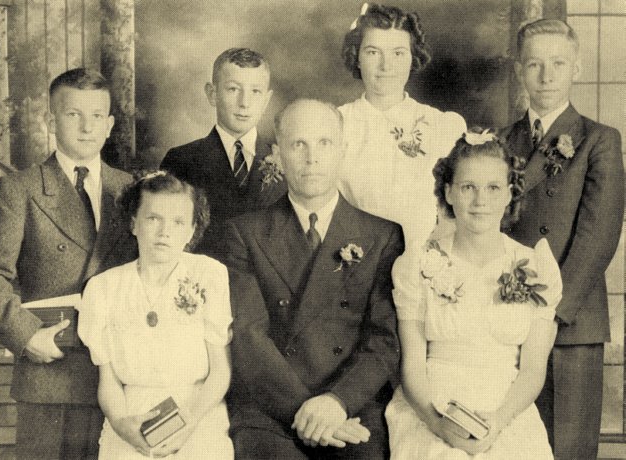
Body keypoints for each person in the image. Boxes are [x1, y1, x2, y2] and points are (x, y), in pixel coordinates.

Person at [0, 68, 138, 458]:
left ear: (110, 125)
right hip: (50, 375)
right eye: (73, 114)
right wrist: (26, 335)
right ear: (51, 120)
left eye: (97, 116)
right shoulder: (20, 189)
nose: (86, 127)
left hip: (122, 373)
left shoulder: (131, 190)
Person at [225, 99, 404, 459]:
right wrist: (305, 412)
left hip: (351, 403)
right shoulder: (245, 233)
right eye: (298, 144)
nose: (312, 158)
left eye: (324, 143)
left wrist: (336, 403)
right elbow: (248, 337)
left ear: (342, 150)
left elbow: (384, 341)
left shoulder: (382, 235)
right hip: (270, 406)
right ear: (277, 155)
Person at [385, 129, 563, 459]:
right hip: (432, 407)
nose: (481, 201)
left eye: (493, 188)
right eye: (468, 187)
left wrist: (497, 422)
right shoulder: (417, 264)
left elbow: (532, 371)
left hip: (508, 409)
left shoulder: (536, 267)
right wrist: (438, 424)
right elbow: (412, 367)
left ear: (509, 193)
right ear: (449, 193)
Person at [502, 19, 624, 459]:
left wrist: (550, 314)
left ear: (576, 68)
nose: (546, 75)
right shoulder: (500, 141)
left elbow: (598, 237)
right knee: (512, 445)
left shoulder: (599, 140)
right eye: (535, 64)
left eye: (558, 63)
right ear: (520, 71)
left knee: (566, 450)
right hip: (506, 316)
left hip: (569, 320)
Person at [77, 171, 234, 459]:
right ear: (134, 223)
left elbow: (220, 371)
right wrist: (121, 424)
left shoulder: (209, 275)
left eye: (178, 222)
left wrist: (189, 423)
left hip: (198, 412)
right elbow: (108, 381)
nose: (165, 232)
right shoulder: (103, 288)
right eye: (153, 219)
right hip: (132, 415)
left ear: (191, 230)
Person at [338, 2, 467, 246]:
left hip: (425, 256)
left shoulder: (442, 126)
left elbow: (456, 213)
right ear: (357, 58)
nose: (386, 66)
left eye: (398, 53)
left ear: (412, 58)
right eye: (373, 52)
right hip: (353, 257)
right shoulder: (336, 123)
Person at [161, 47, 286, 261]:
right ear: (212, 94)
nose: (244, 103)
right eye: (233, 89)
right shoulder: (182, 160)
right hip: (204, 276)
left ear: (266, 100)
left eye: (255, 91)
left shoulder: (284, 159)